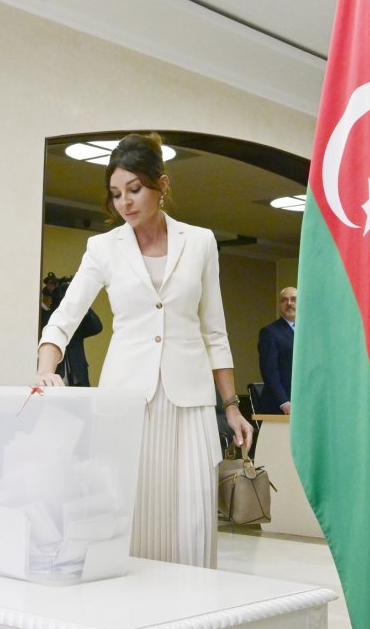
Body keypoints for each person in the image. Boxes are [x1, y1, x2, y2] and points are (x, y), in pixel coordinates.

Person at [35, 132, 253, 568]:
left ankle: (193, 600)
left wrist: (231, 406)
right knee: (131, 517)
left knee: (191, 522)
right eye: (116, 194)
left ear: (161, 185)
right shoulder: (103, 248)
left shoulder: (200, 242)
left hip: (190, 403)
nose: (125, 202)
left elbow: (215, 331)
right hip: (127, 402)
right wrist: (45, 368)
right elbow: (64, 318)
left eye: (134, 189)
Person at [50, 276, 102, 386]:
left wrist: (82, 304)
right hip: (55, 375)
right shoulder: (49, 318)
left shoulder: (75, 321)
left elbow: (97, 327)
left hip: (78, 374)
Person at [256, 286, 296, 415]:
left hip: (304, 403)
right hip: (279, 407)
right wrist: (283, 402)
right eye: (284, 300)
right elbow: (269, 371)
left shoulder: (309, 332)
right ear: (280, 305)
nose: (289, 303)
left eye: (293, 299)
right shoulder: (270, 332)